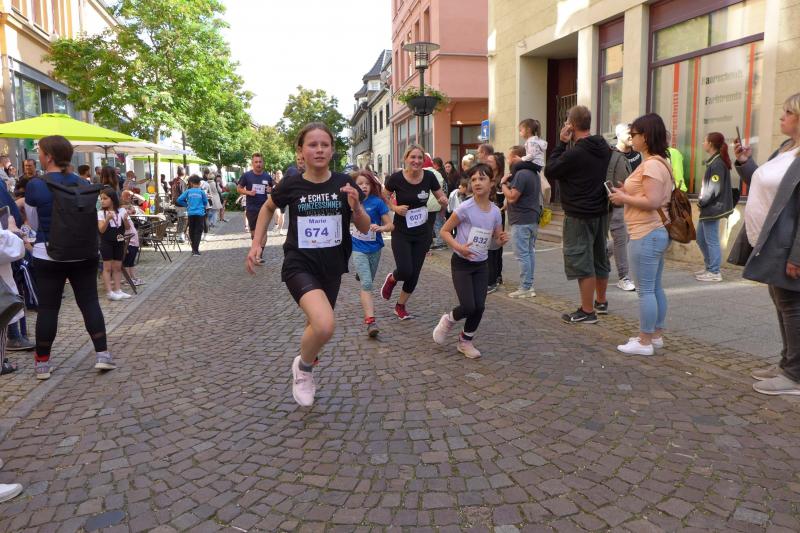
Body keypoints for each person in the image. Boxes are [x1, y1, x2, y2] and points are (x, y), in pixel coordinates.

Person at [245, 122, 370, 407]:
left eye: (325, 144)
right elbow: (267, 207)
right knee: (324, 325)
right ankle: (303, 369)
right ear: (301, 151)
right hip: (299, 264)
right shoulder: (292, 183)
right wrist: (256, 243)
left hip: (333, 266)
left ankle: (306, 362)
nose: (319, 150)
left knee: (315, 325)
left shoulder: (344, 183)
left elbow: (363, 226)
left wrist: (356, 207)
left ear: (333, 150)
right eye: (312, 145)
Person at [24, 135, 115, 379]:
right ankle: (103, 355)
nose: (38, 156)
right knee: (90, 302)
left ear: (49, 157)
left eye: (40, 152)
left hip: (48, 253)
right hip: (83, 252)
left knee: (48, 308)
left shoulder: (36, 185)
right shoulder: (84, 183)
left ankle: (42, 364)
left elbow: (33, 223)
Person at [729, 93, 800, 395]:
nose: (782, 117)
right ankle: (787, 363)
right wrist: (745, 162)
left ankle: (795, 375)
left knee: (792, 305)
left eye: (788, 112)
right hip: (768, 240)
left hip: (786, 243)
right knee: (781, 302)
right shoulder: (786, 148)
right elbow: (766, 184)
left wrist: (797, 255)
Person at [608, 113, 673, 356]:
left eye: (634, 134)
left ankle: (645, 341)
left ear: (645, 137)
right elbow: (648, 195)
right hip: (653, 231)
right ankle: (655, 335)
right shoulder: (658, 162)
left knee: (645, 290)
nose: (631, 138)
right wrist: (626, 192)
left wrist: (623, 198)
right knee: (654, 287)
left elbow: (653, 201)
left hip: (646, 232)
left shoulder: (652, 165)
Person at [433, 163, 508, 359]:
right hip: (461, 264)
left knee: (479, 306)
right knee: (468, 306)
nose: (477, 183)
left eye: (482, 178)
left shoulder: (495, 211)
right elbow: (444, 231)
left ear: (492, 183)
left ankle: (465, 341)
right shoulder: (465, 208)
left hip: (481, 264)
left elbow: (495, 239)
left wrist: (501, 240)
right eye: (473, 179)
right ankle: (448, 320)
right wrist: (459, 247)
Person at [544, 105, 612, 323]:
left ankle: (587, 311)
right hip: (600, 212)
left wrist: (562, 143)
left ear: (571, 126)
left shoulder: (574, 153)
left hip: (579, 213)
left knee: (582, 261)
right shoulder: (604, 147)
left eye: (567, 123)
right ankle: (601, 301)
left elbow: (550, 170)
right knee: (600, 257)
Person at [381, 145, 448, 319]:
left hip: (422, 232)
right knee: (405, 270)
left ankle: (400, 306)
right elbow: (384, 196)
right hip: (401, 231)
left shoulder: (429, 177)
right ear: (406, 158)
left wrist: (443, 200)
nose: (416, 161)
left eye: (420, 158)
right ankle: (392, 279)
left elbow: (440, 196)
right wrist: (395, 208)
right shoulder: (396, 178)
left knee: (414, 273)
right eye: (413, 157)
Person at [351, 170, 393, 337]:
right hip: (357, 248)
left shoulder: (377, 203)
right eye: (360, 184)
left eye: (367, 184)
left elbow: (390, 225)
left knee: (368, 278)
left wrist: (381, 228)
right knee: (367, 283)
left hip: (375, 248)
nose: (364, 186)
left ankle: (361, 273)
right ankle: (370, 321)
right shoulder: (351, 201)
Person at [502, 145, 542, 298]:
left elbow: (512, 197)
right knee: (529, 253)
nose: (508, 160)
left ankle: (525, 287)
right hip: (531, 218)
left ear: (515, 157)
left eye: (508, 157)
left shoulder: (521, 174)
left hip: (521, 220)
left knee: (522, 254)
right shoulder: (533, 172)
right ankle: (528, 285)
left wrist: (502, 184)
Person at [695, 132, 735, 282]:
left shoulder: (717, 163)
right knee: (700, 238)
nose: (703, 143)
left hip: (712, 208)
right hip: (708, 208)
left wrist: (701, 202)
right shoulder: (714, 161)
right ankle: (709, 267)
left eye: (705, 141)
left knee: (711, 240)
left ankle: (714, 271)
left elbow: (713, 188)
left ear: (710, 144)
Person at [608, 129, 636, 292]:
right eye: (627, 132)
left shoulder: (637, 154)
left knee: (625, 237)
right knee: (621, 237)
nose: (631, 135)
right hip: (616, 203)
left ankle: (603, 255)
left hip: (630, 202)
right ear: (618, 135)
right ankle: (624, 276)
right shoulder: (612, 155)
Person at [98, 188, 133, 301]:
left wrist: (126, 219)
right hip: (107, 242)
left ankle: (118, 290)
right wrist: (107, 219)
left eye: (105, 198)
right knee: (107, 267)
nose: (102, 201)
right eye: (101, 199)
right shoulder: (101, 213)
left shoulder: (121, 211)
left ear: (112, 199)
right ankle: (109, 292)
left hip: (119, 241)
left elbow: (127, 228)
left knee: (117, 267)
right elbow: (101, 230)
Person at [238, 153, 274, 262]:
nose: (258, 164)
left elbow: (272, 189)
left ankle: (259, 255)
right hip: (252, 208)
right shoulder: (247, 176)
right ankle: (256, 249)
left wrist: (271, 190)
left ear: (263, 163)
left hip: (265, 208)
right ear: (252, 163)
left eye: (260, 162)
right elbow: (239, 188)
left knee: (263, 231)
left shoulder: (267, 176)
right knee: (254, 232)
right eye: (256, 162)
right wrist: (248, 192)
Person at [485, 152, 506, 292]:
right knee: (491, 246)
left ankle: (496, 275)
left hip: (498, 214)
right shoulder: (488, 176)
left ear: (497, 164)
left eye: (490, 161)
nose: (487, 163)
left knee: (497, 246)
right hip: (488, 213)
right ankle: (494, 275)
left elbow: (504, 200)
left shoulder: (502, 179)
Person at [176, 175, 208, 256]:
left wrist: (187, 205)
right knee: (198, 231)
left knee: (192, 231)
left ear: (191, 183)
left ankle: (194, 249)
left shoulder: (188, 191)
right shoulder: (201, 192)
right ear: (199, 183)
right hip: (200, 214)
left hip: (191, 214)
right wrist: (202, 206)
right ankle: (195, 250)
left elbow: (179, 200)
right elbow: (205, 202)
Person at [423, 154, 446, 250]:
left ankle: (428, 245)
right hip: (436, 203)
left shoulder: (422, 172)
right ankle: (434, 243)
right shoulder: (437, 173)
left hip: (424, 204)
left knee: (425, 227)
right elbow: (442, 188)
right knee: (434, 225)